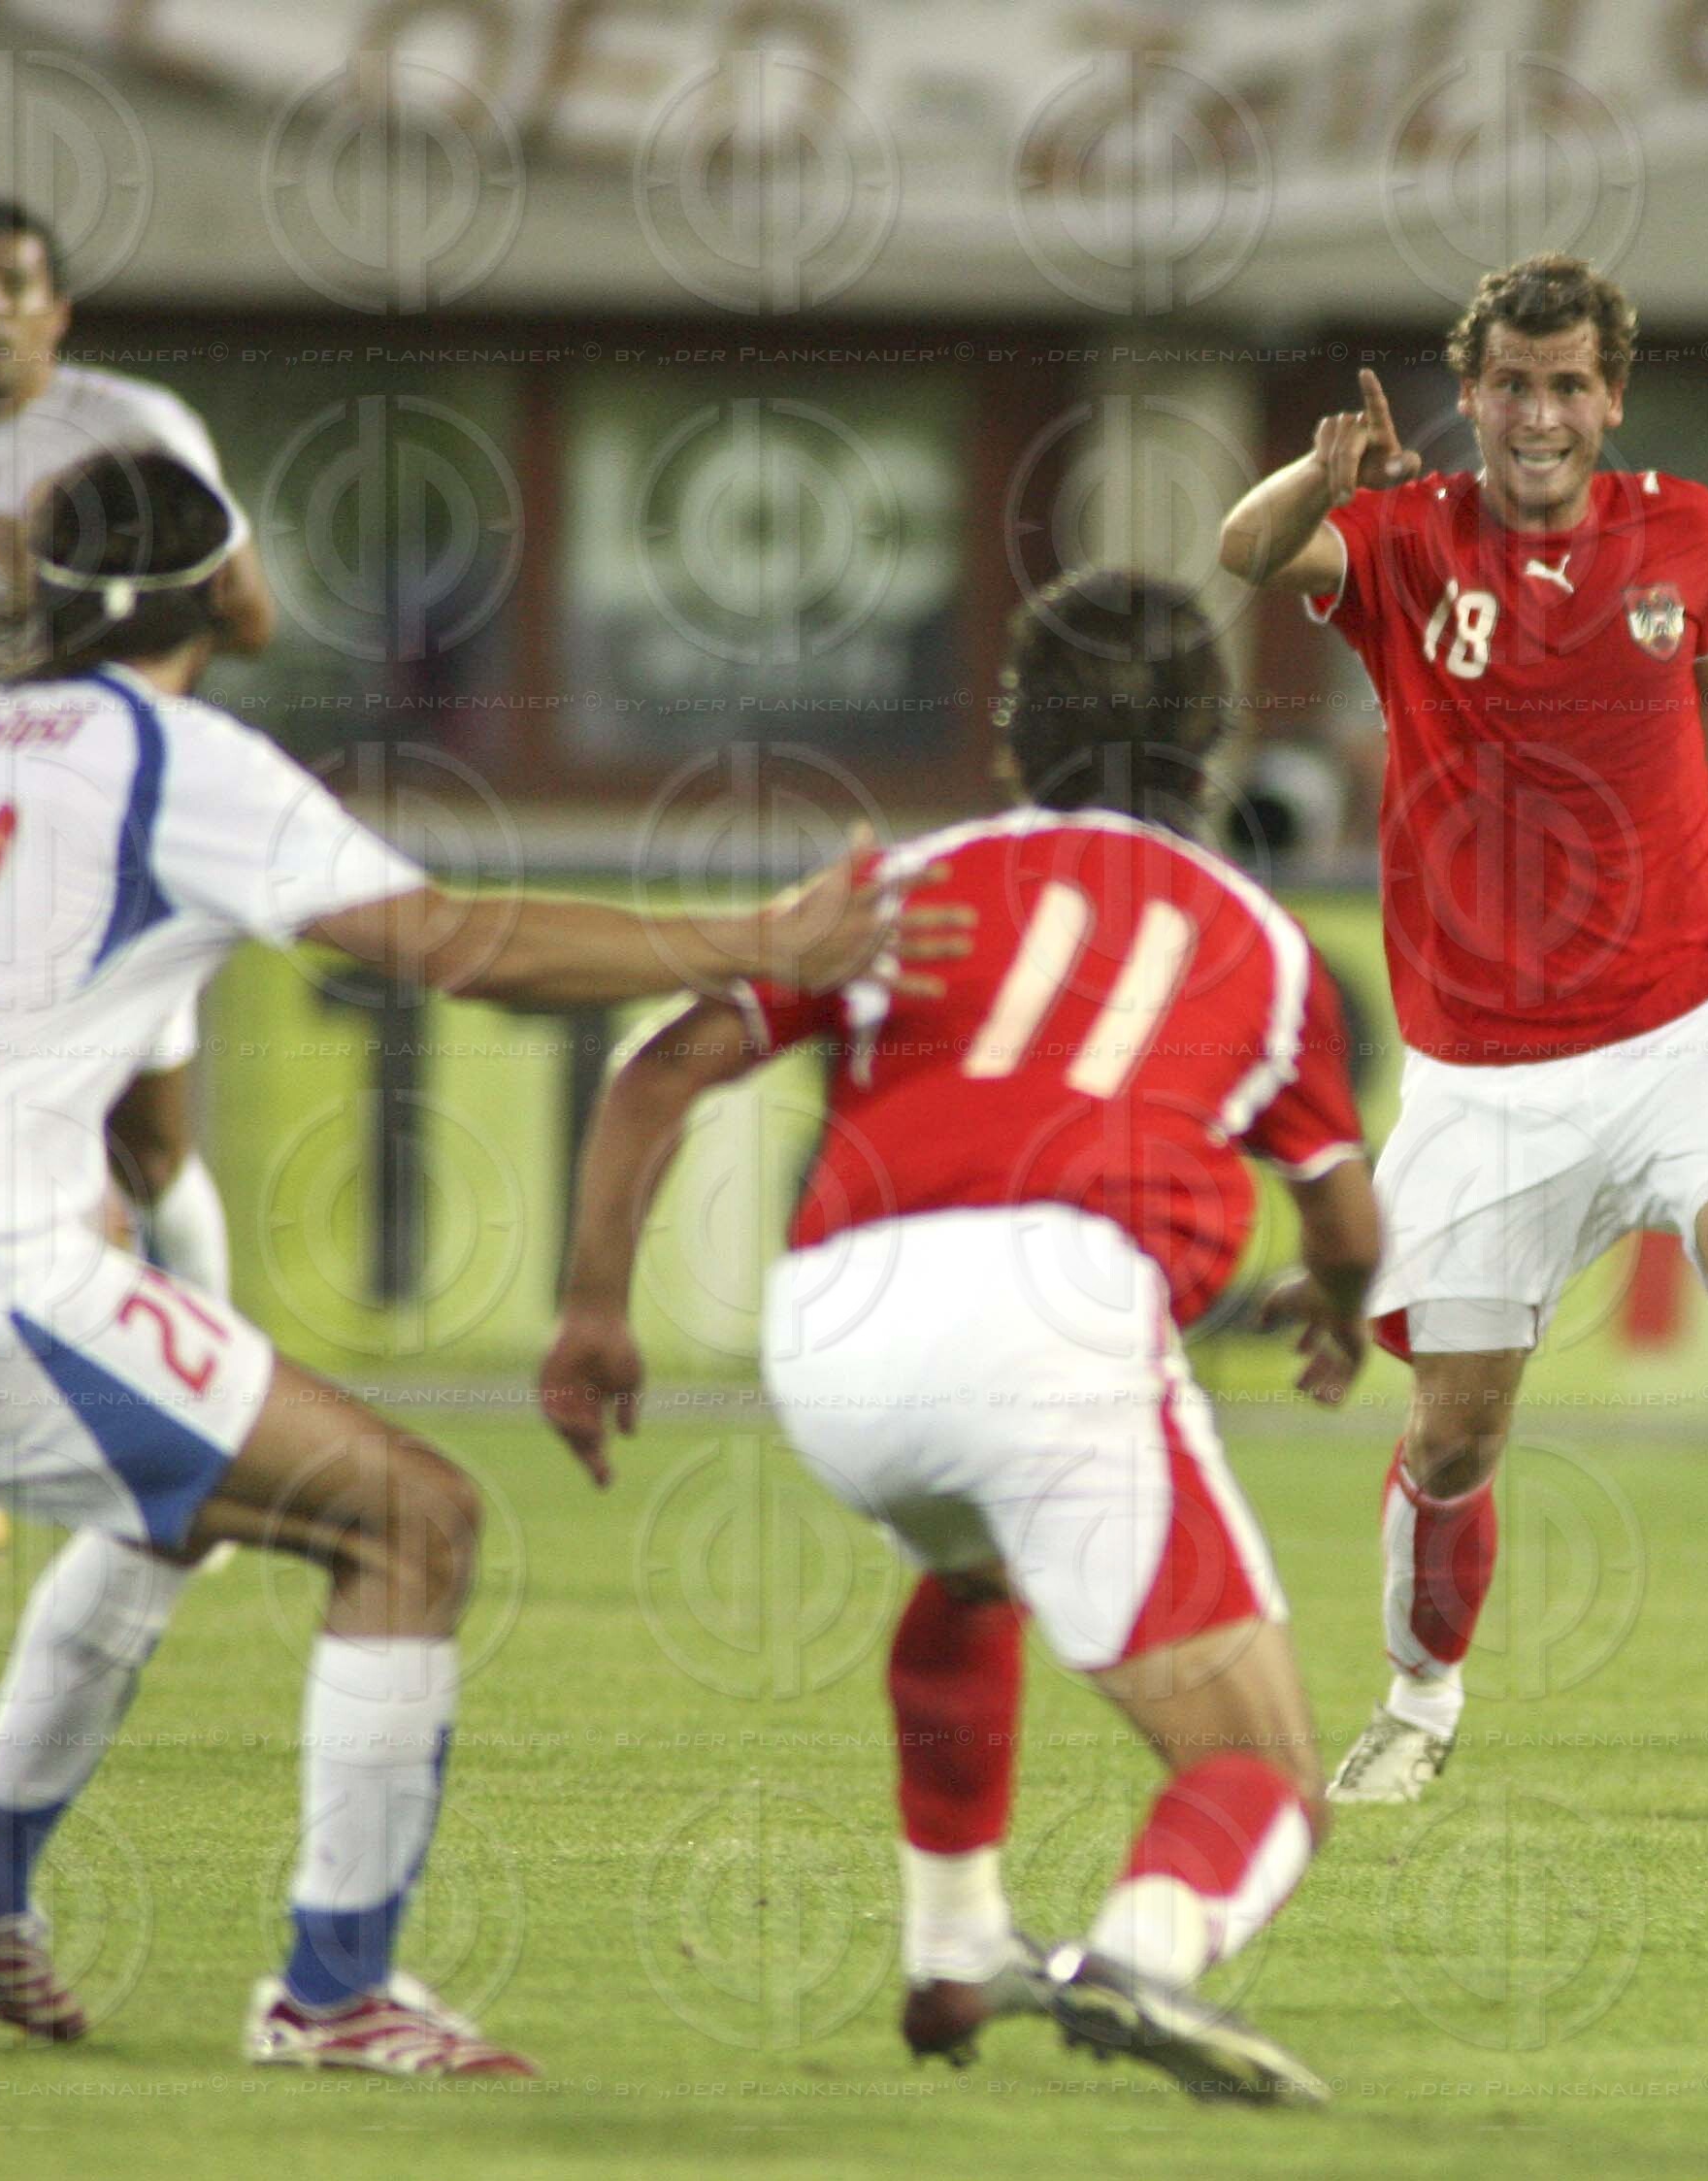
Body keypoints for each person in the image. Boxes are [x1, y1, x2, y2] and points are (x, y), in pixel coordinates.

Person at [0, 448, 960, 2075]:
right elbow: (457, 948)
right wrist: (753, 942)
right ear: (220, 586)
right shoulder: (179, 757)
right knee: (412, 1516)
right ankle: (333, 1991)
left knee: (180, 1509)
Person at [539, 571, 1381, 2104]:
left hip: (831, 1329)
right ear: (1206, 756)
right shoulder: (1261, 947)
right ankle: (1144, 1951)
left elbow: (656, 1075)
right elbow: (1343, 1215)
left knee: (967, 1571)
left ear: (1007, 741)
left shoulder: (898, 881)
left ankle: (951, 1946)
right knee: (1256, 1768)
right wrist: (1332, 1310)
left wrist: (594, 1310)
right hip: (1049, 1312)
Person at [1216, 253, 1708, 1804]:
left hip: (1684, 1005)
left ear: (1610, 394)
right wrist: (1316, 475)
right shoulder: (1403, 540)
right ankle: (1419, 1696)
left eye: (1567, 384)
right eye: (1511, 386)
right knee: (1456, 1433)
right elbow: (1246, 549)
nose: (1539, 415)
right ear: (1470, 396)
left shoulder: (1684, 527)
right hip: (1484, 1067)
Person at [0, 196, 272, 1562]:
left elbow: (248, 613)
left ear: (58, 312)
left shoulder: (131, 431)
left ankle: (184, 1439)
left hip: (110, 815)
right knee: (46, 1136)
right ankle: (52, 1465)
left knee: (142, 1149)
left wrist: (100, 621)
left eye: (12, 287)